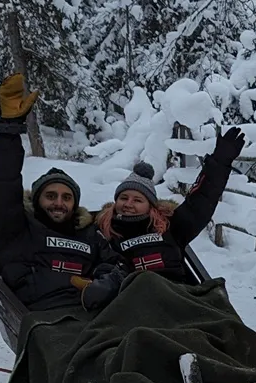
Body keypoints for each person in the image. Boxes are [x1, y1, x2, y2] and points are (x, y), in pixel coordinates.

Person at [0, 73, 120, 312]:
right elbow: (2, 184)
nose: (59, 203)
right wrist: (9, 131)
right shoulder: (20, 228)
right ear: (37, 201)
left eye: (67, 198)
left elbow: (111, 266)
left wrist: (105, 284)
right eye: (51, 196)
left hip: (92, 311)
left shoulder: (88, 234)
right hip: (44, 314)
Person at [79, 129, 246, 307]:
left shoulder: (170, 226)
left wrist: (219, 162)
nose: (128, 204)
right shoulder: (104, 229)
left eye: (137, 200)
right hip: (134, 304)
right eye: (123, 198)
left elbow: (201, 202)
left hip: (179, 298)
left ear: (150, 205)